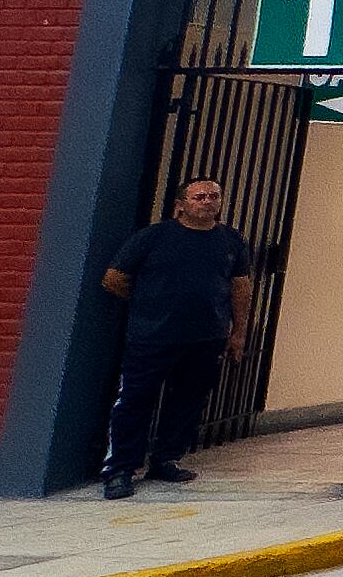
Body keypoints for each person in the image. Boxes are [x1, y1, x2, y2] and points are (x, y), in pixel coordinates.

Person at [97, 177, 255, 500]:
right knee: (135, 401)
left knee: (187, 401)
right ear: (181, 204)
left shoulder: (230, 241)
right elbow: (114, 279)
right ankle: (120, 469)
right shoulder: (153, 238)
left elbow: (241, 287)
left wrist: (238, 332)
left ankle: (166, 458)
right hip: (152, 338)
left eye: (213, 196)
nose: (207, 202)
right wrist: (149, 303)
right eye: (199, 196)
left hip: (205, 339)